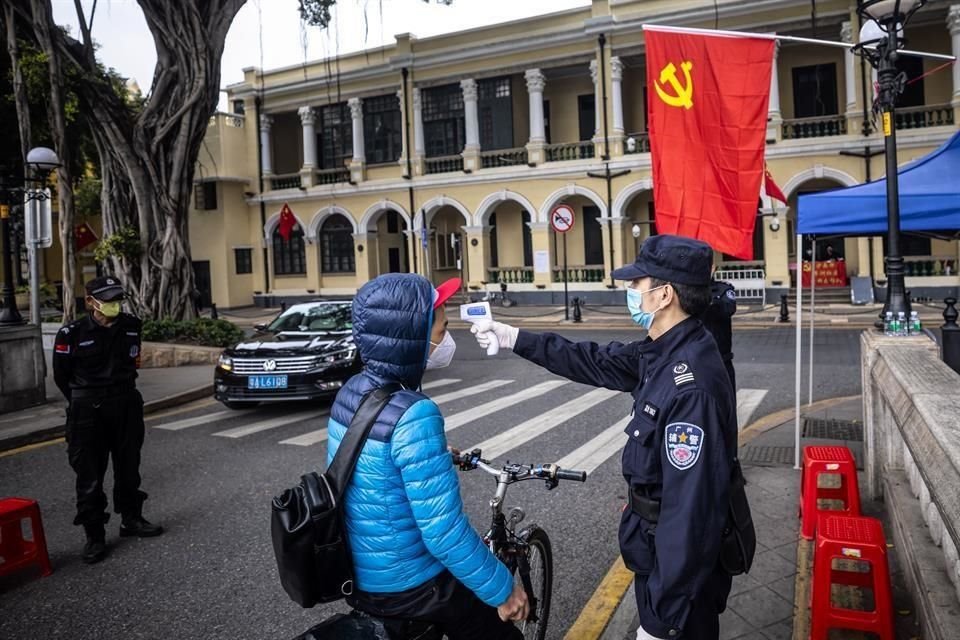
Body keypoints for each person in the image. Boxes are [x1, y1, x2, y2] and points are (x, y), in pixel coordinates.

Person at [473, 235, 739, 640]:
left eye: (637, 284)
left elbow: (692, 514)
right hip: (654, 552)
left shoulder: (690, 383)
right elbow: (594, 360)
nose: (631, 292)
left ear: (664, 293)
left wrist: (661, 622)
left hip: (679, 580)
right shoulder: (666, 348)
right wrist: (514, 337)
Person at [326, 273, 526, 640]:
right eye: (440, 330)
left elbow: (369, 462)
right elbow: (443, 532)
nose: (446, 341)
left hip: (362, 571)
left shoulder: (352, 391)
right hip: (411, 584)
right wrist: (504, 590)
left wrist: (432, 455)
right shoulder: (414, 413)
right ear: (410, 339)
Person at [52, 276, 163, 565]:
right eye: (108, 299)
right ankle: (94, 535)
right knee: (89, 474)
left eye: (117, 299)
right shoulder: (71, 333)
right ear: (90, 301)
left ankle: (131, 519)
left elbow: (132, 363)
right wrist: (83, 400)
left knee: (128, 465)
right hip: (88, 410)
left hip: (125, 402)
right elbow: (61, 376)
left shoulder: (130, 326)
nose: (114, 304)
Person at [701, 274, 737, 390]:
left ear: (713, 268)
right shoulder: (689, 290)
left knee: (727, 400)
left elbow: (729, 309)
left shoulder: (723, 289)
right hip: (698, 357)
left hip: (722, 357)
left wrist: (710, 302)